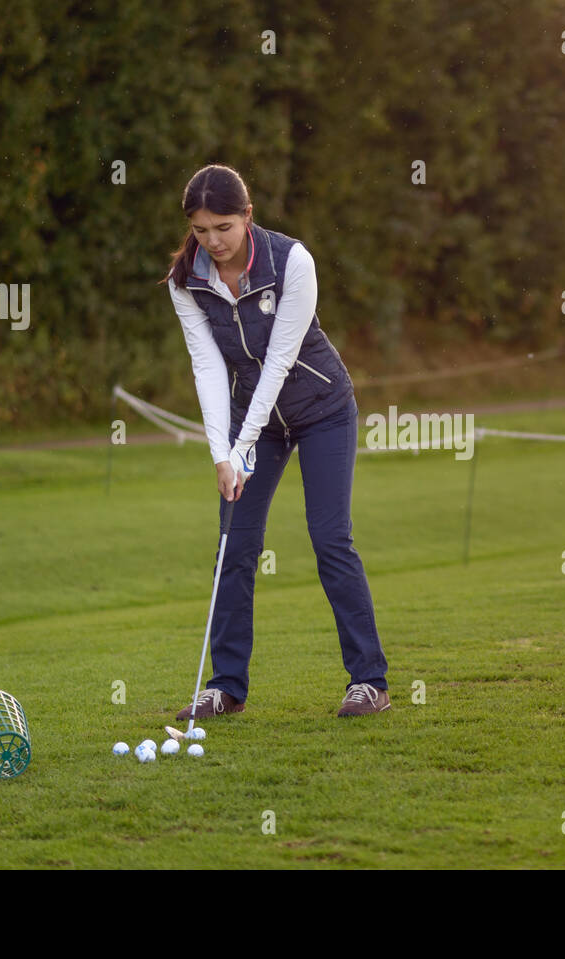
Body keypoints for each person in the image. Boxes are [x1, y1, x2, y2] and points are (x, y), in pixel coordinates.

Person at [160, 164, 390, 718]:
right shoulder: (186, 280)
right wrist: (223, 453)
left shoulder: (293, 262)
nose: (212, 241)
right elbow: (208, 368)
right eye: (200, 230)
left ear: (248, 216)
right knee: (234, 546)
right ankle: (226, 686)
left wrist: (242, 447)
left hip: (320, 409)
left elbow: (280, 362)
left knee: (330, 538)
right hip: (248, 419)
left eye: (222, 227)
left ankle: (369, 682)